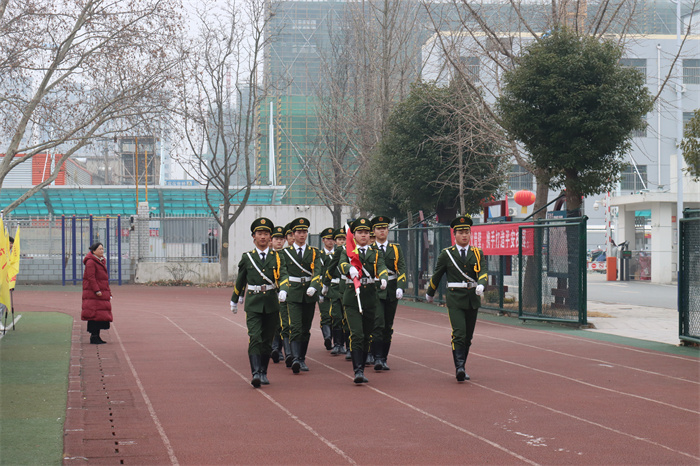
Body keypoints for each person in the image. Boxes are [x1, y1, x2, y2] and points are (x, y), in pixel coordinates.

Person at [425, 215, 487, 382]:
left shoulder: (477, 253)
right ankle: (459, 367)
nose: (464, 235)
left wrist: (481, 283)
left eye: (467, 232)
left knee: (468, 337)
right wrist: (430, 292)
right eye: (460, 232)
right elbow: (437, 274)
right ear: (455, 235)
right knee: (459, 333)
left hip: (472, 298)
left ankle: (463, 365)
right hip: (455, 299)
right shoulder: (447, 254)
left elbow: (483, 272)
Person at [230, 218, 289, 388]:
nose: (263, 237)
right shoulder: (247, 257)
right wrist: (235, 299)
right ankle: (255, 373)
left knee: (267, 340)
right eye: (259, 234)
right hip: (254, 302)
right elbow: (241, 279)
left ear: (270, 237)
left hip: (271, 302)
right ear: (253, 237)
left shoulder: (277, 257)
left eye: (266, 234)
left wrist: (284, 289)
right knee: (255, 337)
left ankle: (263, 371)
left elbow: (283, 274)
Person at [338, 218, 388, 384]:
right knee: (357, 334)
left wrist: (383, 278)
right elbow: (341, 265)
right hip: (352, 297)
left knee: (367, 335)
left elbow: (381, 266)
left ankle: (362, 363)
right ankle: (358, 370)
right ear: (354, 235)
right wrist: (349, 268)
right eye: (360, 232)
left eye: (366, 232)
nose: (364, 235)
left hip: (369, 298)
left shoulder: (375, 252)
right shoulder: (348, 251)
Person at [282, 217, 322, 374]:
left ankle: (302, 358)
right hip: (293, 293)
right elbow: (283, 272)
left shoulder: (314, 252)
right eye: (299, 232)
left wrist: (314, 286)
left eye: (304, 232)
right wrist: (284, 289)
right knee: (295, 327)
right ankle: (296, 359)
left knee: (306, 328)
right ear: (293, 234)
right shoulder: (286, 253)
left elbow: (318, 271)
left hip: (309, 293)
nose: (302, 235)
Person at [370, 216, 406, 371]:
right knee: (378, 323)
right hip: (375, 288)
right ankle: (377, 357)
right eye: (379, 228)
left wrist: (401, 286)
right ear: (374, 231)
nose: (382, 231)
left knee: (388, 326)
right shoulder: (369, 249)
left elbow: (402, 268)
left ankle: (384, 358)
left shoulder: (395, 248)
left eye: (384, 228)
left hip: (391, 288)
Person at [322, 227, 347, 356]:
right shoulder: (335, 254)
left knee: (347, 317)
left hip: (347, 287)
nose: (341, 242)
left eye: (344, 239)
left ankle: (348, 345)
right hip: (335, 287)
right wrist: (325, 285)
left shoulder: (350, 252)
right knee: (336, 316)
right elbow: (330, 270)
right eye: (339, 239)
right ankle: (338, 344)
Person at [81, 242, 113, 344]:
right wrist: (97, 290)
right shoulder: (91, 262)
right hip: (93, 293)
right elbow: (91, 278)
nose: (102, 251)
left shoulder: (101, 261)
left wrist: (108, 292)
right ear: (94, 251)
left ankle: (96, 336)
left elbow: (104, 279)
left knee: (99, 314)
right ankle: (94, 336)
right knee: (94, 314)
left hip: (101, 292)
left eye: (102, 249)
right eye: (100, 249)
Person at [269, 225, 287, 364]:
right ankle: (275, 348)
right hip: (271, 293)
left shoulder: (288, 255)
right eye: (276, 239)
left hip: (286, 292)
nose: (279, 241)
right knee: (274, 322)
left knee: (284, 322)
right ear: (271, 241)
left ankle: (283, 349)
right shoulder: (268, 255)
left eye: (281, 239)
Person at [318, 227, 335, 351]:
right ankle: (327, 337)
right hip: (323, 287)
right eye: (328, 239)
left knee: (336, 315)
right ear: (323, 240)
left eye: (332, 239)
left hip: (336, 288)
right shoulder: (319, 255)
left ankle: (336, 339)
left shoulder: (339, 254)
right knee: (325, 314)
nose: (330, 241)